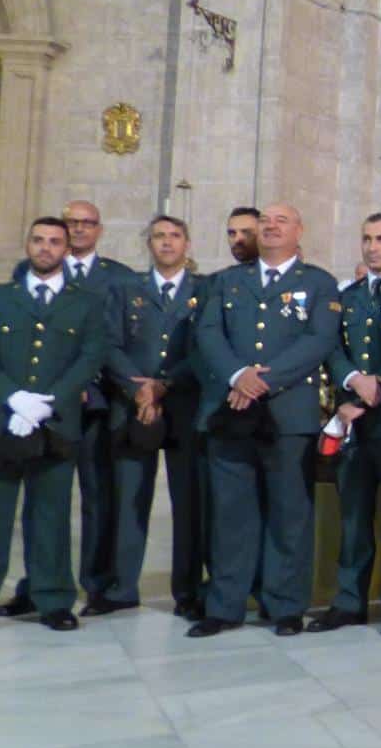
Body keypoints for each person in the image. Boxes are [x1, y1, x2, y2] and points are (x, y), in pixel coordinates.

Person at [0, 217, 108, 638]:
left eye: (54, 242)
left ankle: (53, 599)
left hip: (55, 422)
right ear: (27, 244)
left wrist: (47, 402)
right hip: (0, 420)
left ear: (67, 249)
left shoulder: (85, 301)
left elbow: (89, 357)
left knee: (50, 515)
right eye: (38, 240)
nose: (45, 248)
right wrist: (13, 399)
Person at [191, 202, 340, 638]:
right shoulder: (227, 282)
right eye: (266, 221)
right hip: (232, 411)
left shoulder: (318, 283)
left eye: (282, 221)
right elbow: (208, 333)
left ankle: (286, 605)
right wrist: (239, 375)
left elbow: (319, 339)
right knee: (231, 514)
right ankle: (225, 605)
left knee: (289, 514)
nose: (272, 227)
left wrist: (262, 381)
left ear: (300, 230)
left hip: (288, 414)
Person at [20, 200, 137, 616]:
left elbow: (115, 337)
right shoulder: (32, 272)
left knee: (97, 496)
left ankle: (97, 582)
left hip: (99, 403)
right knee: (43, 497)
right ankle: (35, 583)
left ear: (100, 230)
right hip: (44, 404)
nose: (81, 229)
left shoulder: (120, 277)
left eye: (88, 223)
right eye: (74, 223)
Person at [311, 212, 381, 636]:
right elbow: (333, 347)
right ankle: (348, 602)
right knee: (352, 519)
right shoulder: (349, 296)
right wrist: (353, 383)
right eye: (367, 239)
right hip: (353, 422)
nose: (373, 247)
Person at [100, 215, 209, 618]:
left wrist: (165, 384)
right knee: (130, 497)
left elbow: (203, 348)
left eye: (175, 236)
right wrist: (137, 387)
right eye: (159, 236)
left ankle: (188, 590)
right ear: (148, 243)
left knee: (188, 502)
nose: (166, 243)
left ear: (188, 243)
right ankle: (122, 585)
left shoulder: (205, 290)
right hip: (134, 407)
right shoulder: (126, 289)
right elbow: (109, 343)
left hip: (184, 406)